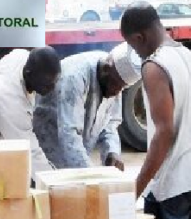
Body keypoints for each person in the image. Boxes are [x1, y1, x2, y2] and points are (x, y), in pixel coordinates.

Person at [120, 1, 191, 219]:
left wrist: (136, 189)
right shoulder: (189, 56)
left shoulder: (154, 66)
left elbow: (164, 133)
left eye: (133, 46)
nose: (136, 53)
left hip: (176, 183)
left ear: (140, 37)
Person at [33, 42, 142, 170]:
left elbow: (110, 122)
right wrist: (90, 175)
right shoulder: (74, 78)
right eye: (116, 84)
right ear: (106, 70)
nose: (117, 92)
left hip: (74, 153)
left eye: (122, 87)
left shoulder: (114, 78)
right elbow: (69, 134)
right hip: (50, 149)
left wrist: (111, 152)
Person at [0, 47, 62, 181]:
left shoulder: (21, 56)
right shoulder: (9, 101)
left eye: (54, 82)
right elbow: (30, 151)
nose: (52, 89)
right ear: (29, 74)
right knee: (7, 178)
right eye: (47, 85)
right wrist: (53, 181)